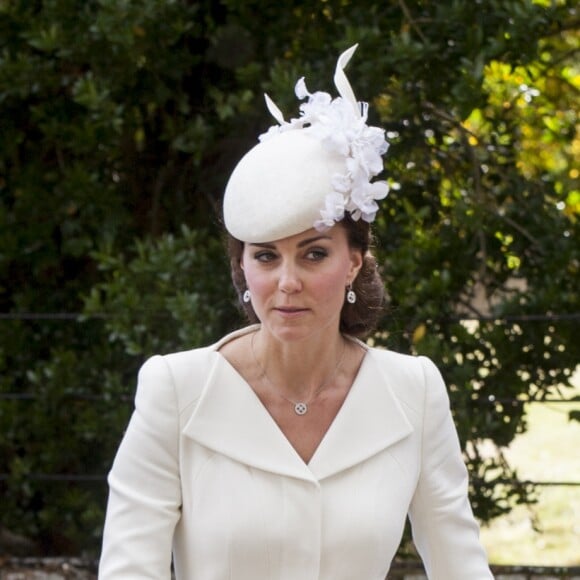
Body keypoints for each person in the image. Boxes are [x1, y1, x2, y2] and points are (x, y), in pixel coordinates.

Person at [99, 45, 493, 579]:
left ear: (353, 261)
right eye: (266, 256)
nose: (287, 283)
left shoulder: (414, 392)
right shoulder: (176, 390)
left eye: (313, 253)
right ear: (243, 268)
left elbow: (461, 567)